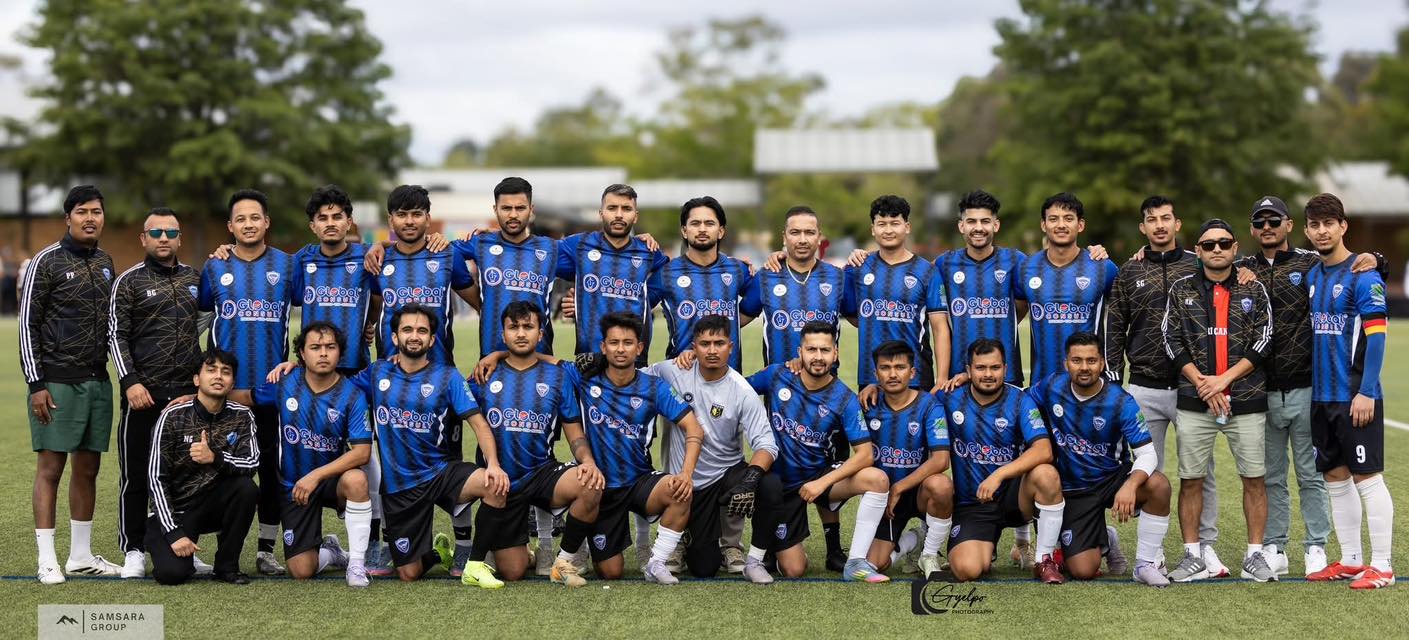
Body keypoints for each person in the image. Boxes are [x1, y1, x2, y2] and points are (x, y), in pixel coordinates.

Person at [1235, 195, 1378, 576]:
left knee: (1312, 473)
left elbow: (1349, 264)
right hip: (1261, 390)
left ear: (1289, 225)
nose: (1267, 227)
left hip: (1306, 387)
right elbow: (1199, 265)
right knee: (1271, 476)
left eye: (1274, 220)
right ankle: (1275, 546)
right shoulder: (1241, 268)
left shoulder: (1309, 262)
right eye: (1260, 222)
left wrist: (1377, 258)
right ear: (1252, 229)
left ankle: (1316, 544)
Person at [341, 303, 509, 583]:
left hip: (440, 474)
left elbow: (480, 424)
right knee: (409, 574)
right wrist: (298, 366)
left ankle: (475, 563)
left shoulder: (447, 376)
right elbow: (335, 386)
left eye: (422, 331)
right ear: (394, 337)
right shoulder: (377, 372)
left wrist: (493, 464)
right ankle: (436, 554)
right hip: (401, 488)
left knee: (495, 484)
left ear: (432, 340)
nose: (414, 336)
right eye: (407, 330)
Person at [1101, 196, 1217, 571]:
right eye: (1152, 220)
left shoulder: (1199, 264)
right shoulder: (1129, 270)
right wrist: (1114, 381)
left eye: (1166, 218)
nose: (1160, 225)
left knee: (1200, 471)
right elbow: (1115, 328)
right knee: (1147, 472)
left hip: (1191, 386)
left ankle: (1205, 547)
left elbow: (1234, 270)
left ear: (1177, 223)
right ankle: (1155, 551)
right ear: (1143, 228)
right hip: (1144, 387)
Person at [1161, 219, 1276, 582]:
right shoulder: (1181, 289)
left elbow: (1265, 339)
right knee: (1191, 479)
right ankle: (1193, 556)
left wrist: (1223, 380)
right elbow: (1170, 339)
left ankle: (1254, 555)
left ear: (1234, 248)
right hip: (1195, 400)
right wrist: (1202, 383)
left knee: (1254, 479)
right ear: (1197, 250)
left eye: (1224, 243)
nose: (1216, 249)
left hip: (1246, 398)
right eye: (1208, 244)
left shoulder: (1253, 287)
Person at [22, 185, 120, 584]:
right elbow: (28, 325)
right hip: (56, 383)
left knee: (88, 469)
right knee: (50, 468)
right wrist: (36, 384)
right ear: (68, 218)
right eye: (82, 212)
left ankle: (80, 556)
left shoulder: (106, 262)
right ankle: (47, 558)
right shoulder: (46, 261)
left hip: (97, 380)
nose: (90, 218)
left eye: (96, 211)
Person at [466, 302, 602, 587]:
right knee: (513, 572)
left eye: (528, 327)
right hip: (502, 483)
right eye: (513, 327)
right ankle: (519, 550)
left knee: (590, 483)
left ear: (540, 334)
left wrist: (588, 461)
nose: (520, 333)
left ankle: (563, 561)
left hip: (542, 473)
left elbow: (574, 433)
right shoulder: (484, 375)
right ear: (503, 334)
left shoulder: (558, 376)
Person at [197, 188, 297, 574]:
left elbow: (315, 308)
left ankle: (266, 549)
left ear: (267, 222)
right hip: (224, 395)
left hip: (271, 392)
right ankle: (220, 550)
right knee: (221, 471)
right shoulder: (214, 267)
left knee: (272, 471)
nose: (249, 224)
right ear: (230, 226)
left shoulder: (288, 266)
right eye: (241, 219)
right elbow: (198, 320)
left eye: (255, 217)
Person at [746, 321, 892, 583]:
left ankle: (856, 562)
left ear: (835, 353)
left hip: (818, 477)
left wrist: (821, 483)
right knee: (794, 570)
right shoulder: (777, 375)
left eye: (825, 350)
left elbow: (865, 454)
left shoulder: (844, 398)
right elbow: (737, 388)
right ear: (799, 352)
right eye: (811, 349)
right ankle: (775, 544)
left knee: (877, 479)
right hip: (781, 485)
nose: (818, 357)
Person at [232, 322, 373, 587]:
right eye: (315, 347)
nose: (323, 353)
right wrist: (197, 396)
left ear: (340, 353)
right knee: (301, 570)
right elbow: (247, 397)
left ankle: (356, 565)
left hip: (330, 480)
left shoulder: (353, 395)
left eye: (330, 347)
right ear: (302, 354)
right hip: (293, 486)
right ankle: (331, 553)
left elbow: (362, 453)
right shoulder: (285, 384)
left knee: (356, 480)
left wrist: (316, 476)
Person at [1302, 193, 1396, 589]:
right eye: (1315, 225)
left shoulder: (1364, 274)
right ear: (1307, 230)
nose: (1322, 231)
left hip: (1355, 396)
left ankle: (1383, 566)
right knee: (1335, 478)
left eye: (1329, 223)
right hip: (1321, 397)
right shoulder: (1312, 275)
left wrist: (1367, 391)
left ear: (1343, 226)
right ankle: (1352, 560)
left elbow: (1377, 338)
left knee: (1367, 478)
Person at [749, 205, 850, 572]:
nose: (803, 239)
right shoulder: (766, 277)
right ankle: (771, 541)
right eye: (795, 232)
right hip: (780, 393)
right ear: (784, 237)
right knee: (778, 470)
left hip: (827, 392)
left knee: (826, 463)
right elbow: (735, 316)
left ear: (819, 237)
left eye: (810, 232)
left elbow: (864, 316)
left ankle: (834, 548)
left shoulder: (837, 278)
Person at [1028, 332, 1172, 587]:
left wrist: (1130, 485)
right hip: (1074, 489)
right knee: (1082, 570)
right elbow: (1021, 399)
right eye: (1077, 360)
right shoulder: (1052, 386)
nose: (1084, 367)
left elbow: (1148, 453)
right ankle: (1106, 538)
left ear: (1102, 363)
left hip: (1111, 479)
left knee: (1158, 485)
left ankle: (1145, 564)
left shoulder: (1121, 401)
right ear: (1066, 363)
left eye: (1091, 361)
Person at [646, 315, 782, 584]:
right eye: (704, 344)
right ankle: (682, 537)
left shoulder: (741, 390)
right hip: (682, 480)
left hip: (724, 476)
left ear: (730, 347)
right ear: (693, 347)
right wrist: (599, 362)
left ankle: (752, 559)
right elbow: (627, 376)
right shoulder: (671, 371)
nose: (712, 350)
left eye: (719, 343)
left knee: (771, 485)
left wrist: (751, 480)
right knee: (703, 567)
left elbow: (766, 444)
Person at [108, 207, 204, 579]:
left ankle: (186, 545)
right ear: (143, 238)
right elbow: (115, 335)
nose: (164, 238)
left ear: (180, 238)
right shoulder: (129, 281)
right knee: (136, 474)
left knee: (184, 475)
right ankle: (133, 549)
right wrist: (130, 381)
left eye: (171, 232)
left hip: (185, 396)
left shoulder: (195, 279)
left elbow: (207, 324)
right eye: (156, 232)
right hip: (143, 395)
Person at [941, 339, 1065, 583]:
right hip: (974, 503)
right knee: (967, 570)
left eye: (995, 367)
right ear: (968, 370)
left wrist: (998, 475)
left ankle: (1044, 560)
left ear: (1005, 369)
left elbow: (1043, 450)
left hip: (1014, 498)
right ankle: (987, 546)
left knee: (1046, 474)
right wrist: (874, 389)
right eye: (980, 368)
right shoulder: (950, 397)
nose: (988, 374)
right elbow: (912, 401)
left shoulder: (1020, 400)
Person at [146, 350, 259, 585]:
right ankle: (163, 542)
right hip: (175, 511)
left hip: (211, 505)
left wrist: (215, 458)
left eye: (225, 372)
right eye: (211, 370)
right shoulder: (172, 416)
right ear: (197, 379)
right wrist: (174, 533)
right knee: (172, 574)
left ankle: (227, 566)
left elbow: (251, 463)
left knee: (246, 488)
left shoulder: (242, 416)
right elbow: (156, 478)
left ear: (232, 383)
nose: (218, 376)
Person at [857, 341, 953, 579]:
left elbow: (941, 460)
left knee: (941, 485)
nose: (892, 374)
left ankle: (928, 554)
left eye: (899, 367)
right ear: (875, 374)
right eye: (885, 368)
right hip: (885, 495)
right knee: (875, 563)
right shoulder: (868, 404)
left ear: (912, 372)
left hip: (919, 491)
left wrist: (899, 487)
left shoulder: (929, 405)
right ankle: (914, 540)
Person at [844, 195, 951, 392]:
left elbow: (940, 328)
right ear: (873, 229)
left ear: (907, 227)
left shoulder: (928, 272)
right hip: (871, 379)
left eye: (895, 223)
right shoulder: (857, 267)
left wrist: (942, 378)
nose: (888, 230)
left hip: (917, 377)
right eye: (881, 224)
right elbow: (852, 315)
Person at [555, 184, 668, 363]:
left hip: (635, 359)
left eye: (626, 209)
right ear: (601, 213)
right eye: (612, 208)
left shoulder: (647, 251)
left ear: (635, 216)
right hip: (590, 358)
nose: (619, 215)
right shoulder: (579, 245)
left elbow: (668, 275)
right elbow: (537, 256)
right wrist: (582, 299)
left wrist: (646, 301)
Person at [1014, 192, 1117, 384]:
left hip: (1090, 385)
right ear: (1043, 225)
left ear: (1080, 225)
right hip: (1042, 385)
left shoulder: (1103, 267)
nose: (1061, 225)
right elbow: (1012, 317)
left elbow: (1125, 314)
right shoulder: (1025, 268)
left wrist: (1142, 253)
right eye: (1053, 219)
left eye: (1068, 218)